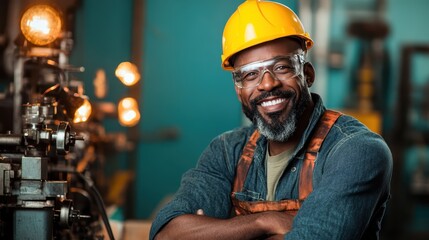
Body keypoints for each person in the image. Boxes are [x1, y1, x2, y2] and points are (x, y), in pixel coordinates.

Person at [149, 0, 393, 239]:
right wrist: (265, 221)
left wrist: (222, 230)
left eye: (281, 68)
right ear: (239, 90)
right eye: (250, 74)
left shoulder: (355, 151)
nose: (267, 84)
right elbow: (167, 235)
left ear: (307, 74)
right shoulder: (225, 152)